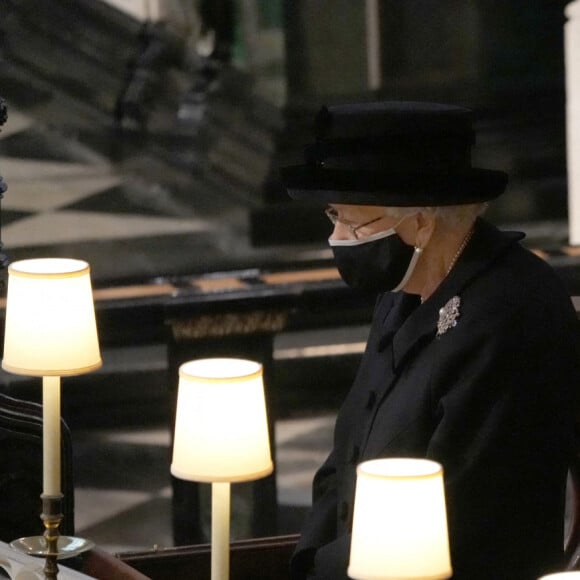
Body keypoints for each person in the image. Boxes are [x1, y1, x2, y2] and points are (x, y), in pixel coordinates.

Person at [280, 101, 580, 580]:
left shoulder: (511, 310)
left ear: (420, 222)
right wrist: (308, 563)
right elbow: (346, 455)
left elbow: (461, 516)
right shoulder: (405, 287)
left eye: (353, 223)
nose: (337, 238)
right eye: (333, 216)